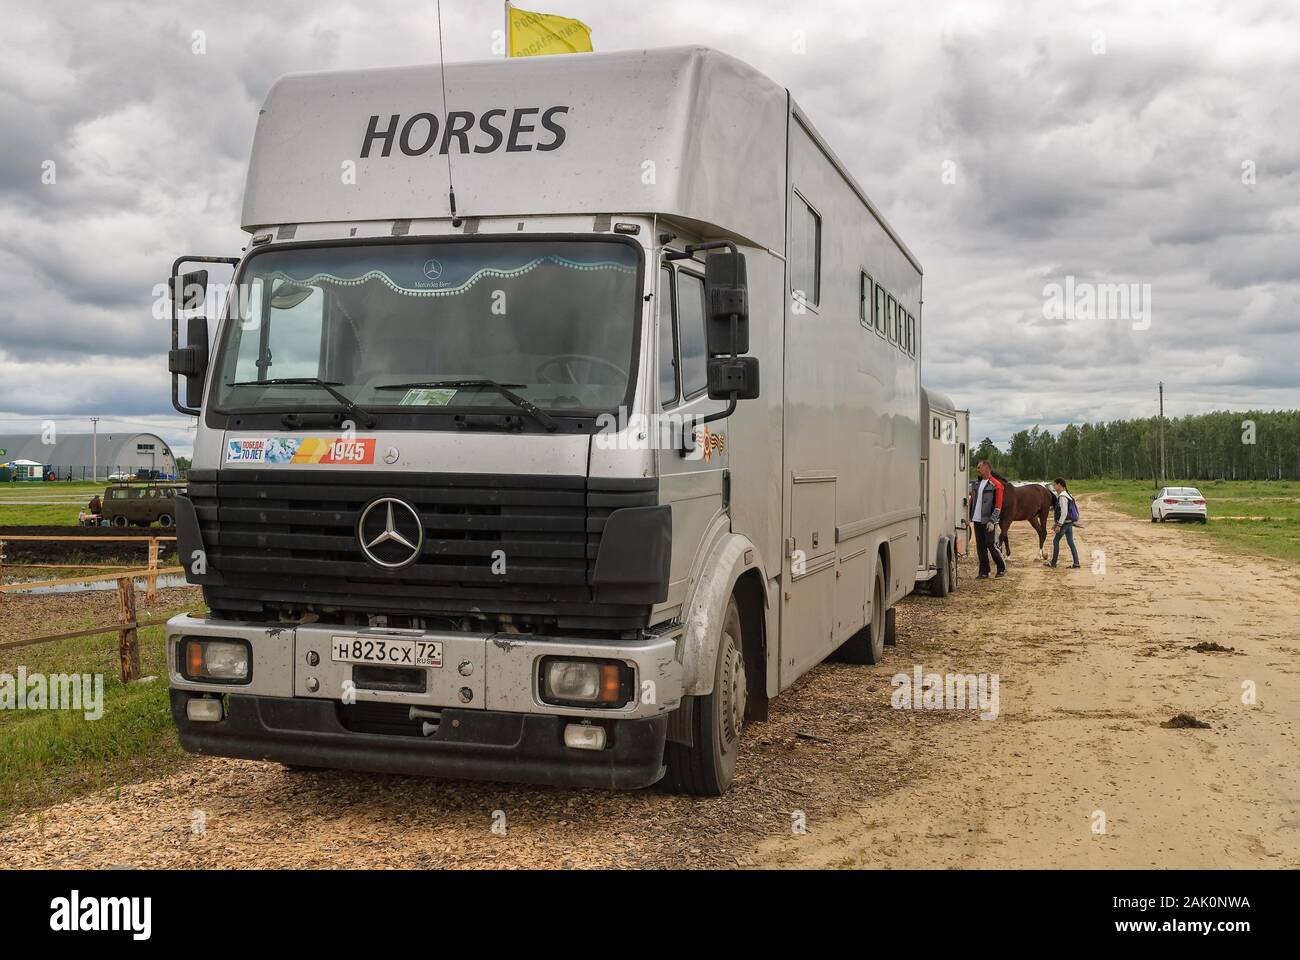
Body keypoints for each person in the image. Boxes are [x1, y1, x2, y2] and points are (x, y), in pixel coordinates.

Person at [969, 459, 1006, 579]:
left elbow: (998, 505)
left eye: (979, 467)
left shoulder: (996, 485)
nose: (978, 469)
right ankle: (984, 571)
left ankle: (1001, 567)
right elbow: (972, 501)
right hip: (977, 519)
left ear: (986, 468)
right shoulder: (977, 484)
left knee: (990, 544)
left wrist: (992, 520)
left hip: (988, 520)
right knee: (980, 546)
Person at [1046, 477, 1081, 568]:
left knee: (1055, 541)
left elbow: (1064, 512)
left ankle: (1053, 563)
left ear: (1059, 485)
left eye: (1055, 484)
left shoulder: (1062, 496)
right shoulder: (1067, 495)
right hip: (1069, 522)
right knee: (1070, 542)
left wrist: (1059, 525)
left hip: (1065, 523)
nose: (1054, 486)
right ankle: (1076, 563)